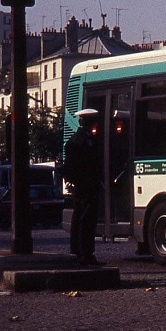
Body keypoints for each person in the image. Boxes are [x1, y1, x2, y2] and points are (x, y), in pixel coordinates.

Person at [63, 109, 103, 266]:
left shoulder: (79, 138)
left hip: (82, 183)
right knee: (86, 219)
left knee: (79, 217)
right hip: (86, 183)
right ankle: (85, 253)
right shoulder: (83, 139)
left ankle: (78, 251)